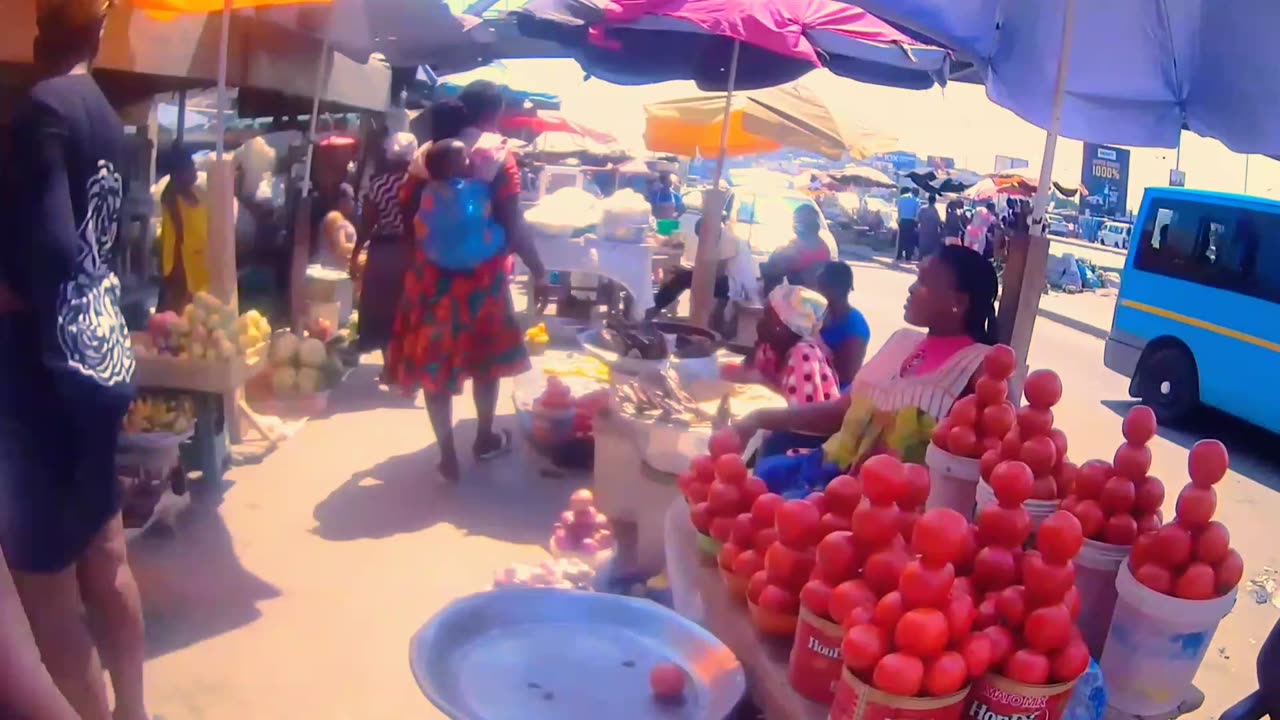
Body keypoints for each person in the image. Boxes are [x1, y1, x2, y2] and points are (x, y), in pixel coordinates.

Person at [0, 2, 149, 719]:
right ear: (98, 32)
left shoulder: (40, 111)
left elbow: (55, 253)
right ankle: (135, 711)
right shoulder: (104, 117)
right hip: (98, 360)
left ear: (41, 30)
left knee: (47, 592)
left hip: (38, 377)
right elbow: (90, 249)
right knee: (107, 556)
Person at [386, 79, 547, 481]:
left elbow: (406, 214)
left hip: (430, 280)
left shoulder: (427, 156)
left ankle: (446, 453)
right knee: (487, 361)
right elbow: (513, 221)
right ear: (495, 112)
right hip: (483, 280)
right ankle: (484, 436)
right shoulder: (498, 156)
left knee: (434, 364)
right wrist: (538, 268)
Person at [735, 246, 998, 491]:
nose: (911, 288)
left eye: (923, 283)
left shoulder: (980, 365)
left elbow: (986, 456)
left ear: (959, 303)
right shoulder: (901, 340)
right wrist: (759, 418)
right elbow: (840, 410)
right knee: (760, 478)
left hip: (886, 508)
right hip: (827, 477)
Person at [352, 131, 417, 366]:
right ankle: (407, 365)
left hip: (384, 251)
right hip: (412, 252)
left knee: (382, 310)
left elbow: (368, 222)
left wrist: (356, 252)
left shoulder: (378, 184)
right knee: (408, 309)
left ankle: (390, 364)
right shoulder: (419, 183)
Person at [646, 216, 731, 321]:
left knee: (682, 279)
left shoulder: (727, 240)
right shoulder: (725, 236)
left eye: (703, 238)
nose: (703, 241)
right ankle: (654, 308)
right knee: (682, 277)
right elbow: (711, 269)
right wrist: (690, 270)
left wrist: (689, 272)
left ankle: (652, 310)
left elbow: (718, 273)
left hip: (732, 286)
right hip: (728, 282)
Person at [157, 144, 208, 312]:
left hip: (200, 265)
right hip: (182, 268)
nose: (194, 171)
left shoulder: (196, 193)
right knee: (178, 315)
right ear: (177, 174)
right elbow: (177, 238)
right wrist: (179, 276)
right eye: (189, 168)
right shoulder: (172, 197)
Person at [815, 262, 870, 388]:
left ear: (837, 289)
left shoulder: (855, 326)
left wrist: (817, 341)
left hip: (836, 392)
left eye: (821, 287)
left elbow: (847, 375)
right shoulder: (821, 312)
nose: (817, 291)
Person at [760, 204, 832, 295]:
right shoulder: (816, 244)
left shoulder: (817, 249)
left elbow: (786, 262)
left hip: (805, 298)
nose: (795, 225)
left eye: (797, 221)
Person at [317, 183, 358, 271]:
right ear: (341, 200)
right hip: (332, 272)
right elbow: (340, 247)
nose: (353, 203)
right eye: (351, 199)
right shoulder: (335, 217)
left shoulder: (340, 218)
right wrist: (359, 248)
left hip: (337, 271)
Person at [895, 188, 921, 261]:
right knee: (909, 240)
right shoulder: (916, 200)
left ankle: (899, 255)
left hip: (902, 220)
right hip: (911, 221)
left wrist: (899, 219)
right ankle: (908, 256)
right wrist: (916, 222)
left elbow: (899, 209)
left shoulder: (902, 198)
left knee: (901, 238)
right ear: (916, 193)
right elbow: (917, 213)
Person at [916, 193, 943, 259]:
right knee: (931, 247)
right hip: (932, 232)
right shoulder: (934, 210)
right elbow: (938, 221)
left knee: (922, 244)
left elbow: (918, 219)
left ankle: (920, 257)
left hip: (923, 230)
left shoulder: (922, 209)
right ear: (934, 201)